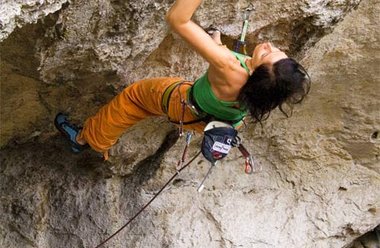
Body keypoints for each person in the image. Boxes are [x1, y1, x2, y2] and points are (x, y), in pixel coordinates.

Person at [55, 0, 310, 160]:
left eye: (267, 54)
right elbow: (233, 70)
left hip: (182, 103)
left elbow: (177, 19)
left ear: (259, 75)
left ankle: (84, 140)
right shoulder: (267, 89)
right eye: (277, 51)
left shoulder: (229, 67)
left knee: (133, 99)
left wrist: (220, 52)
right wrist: (218, 44)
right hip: (208, 119)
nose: (267, 45)